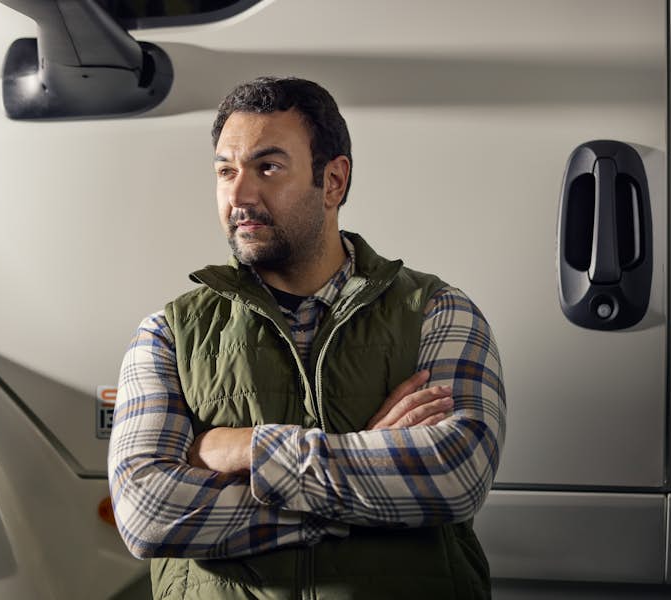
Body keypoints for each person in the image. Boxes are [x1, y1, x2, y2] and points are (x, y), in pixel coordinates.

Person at [108, 76, 506, 599]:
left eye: (268, 167)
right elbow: (147, 513)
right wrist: (363, 473)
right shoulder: (168, 334)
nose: (240, 194)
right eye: (226, 171)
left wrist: (244, 449)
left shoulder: (438, 312)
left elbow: (455, 476)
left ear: (334, 181)